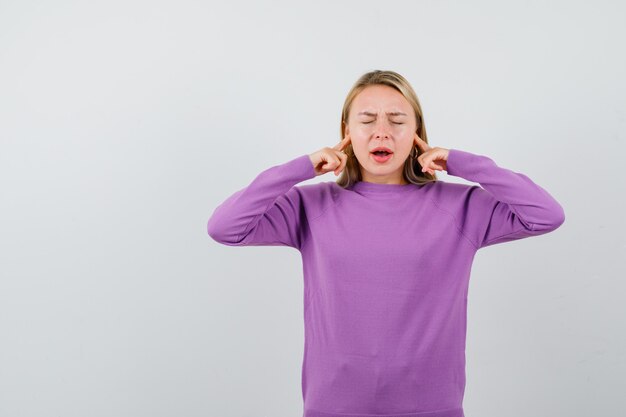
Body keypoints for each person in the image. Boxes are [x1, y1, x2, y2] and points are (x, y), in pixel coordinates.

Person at [207, 70, 565, 417]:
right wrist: (301, 168)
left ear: (416, 134)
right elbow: (225, 227)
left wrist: (461, 163)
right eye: (367, 120)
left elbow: (546, 214)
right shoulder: (309, 206)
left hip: (432, 406)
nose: (382, 132)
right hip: (333, 406)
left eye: (397, 121)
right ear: (346, 133)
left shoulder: (461, 206)